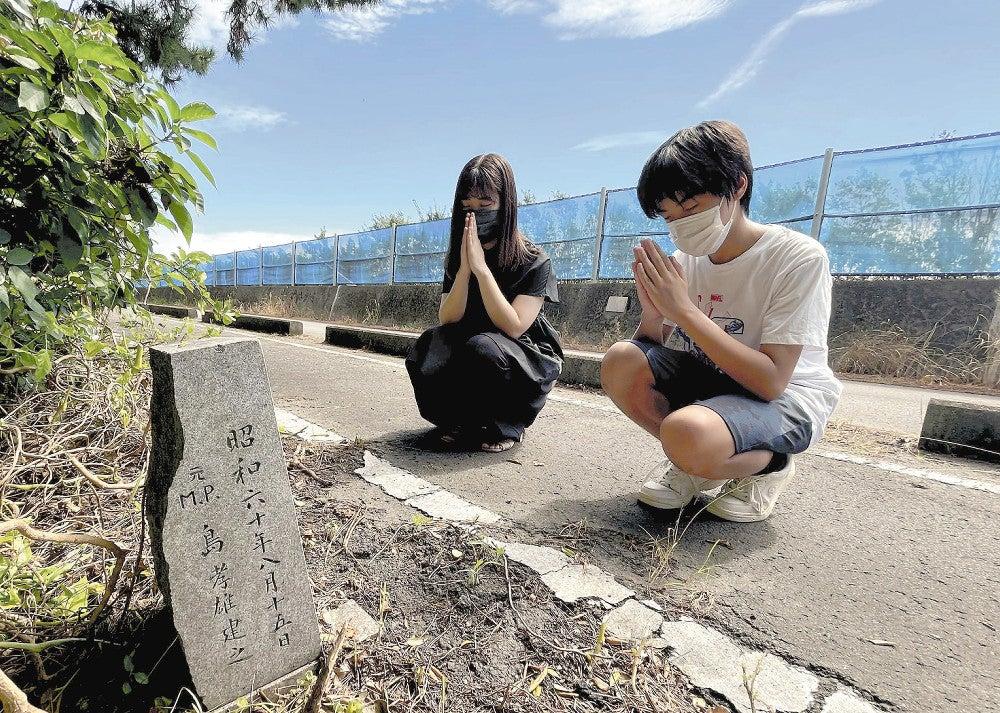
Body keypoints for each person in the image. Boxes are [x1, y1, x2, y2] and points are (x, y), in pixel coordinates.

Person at [600, 121, 842, 522]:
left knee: (687, 434)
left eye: (691, 207)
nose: (680, 223)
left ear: (737, 187)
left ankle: (768, 465)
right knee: (621, 360)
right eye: (668, 214)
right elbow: (647, 351)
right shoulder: (684, 263)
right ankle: (695, 461)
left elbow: (771, 381)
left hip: (784, 399)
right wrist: (655, 314)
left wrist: (685, 312)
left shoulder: (797, 258)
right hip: (718, 386)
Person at [405, 153, 562, 453]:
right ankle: (459, 420)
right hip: (473, 339)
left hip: (522, 353)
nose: (475, 214)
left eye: (485, 205)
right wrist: (464, 270)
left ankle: (508, 424)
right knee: (430, 345)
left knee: (484, 348)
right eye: (468, 207)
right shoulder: (458, 253)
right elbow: (448, 318)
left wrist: (482, 269)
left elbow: (514, 326)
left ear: (506, 204)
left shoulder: (533, 260)